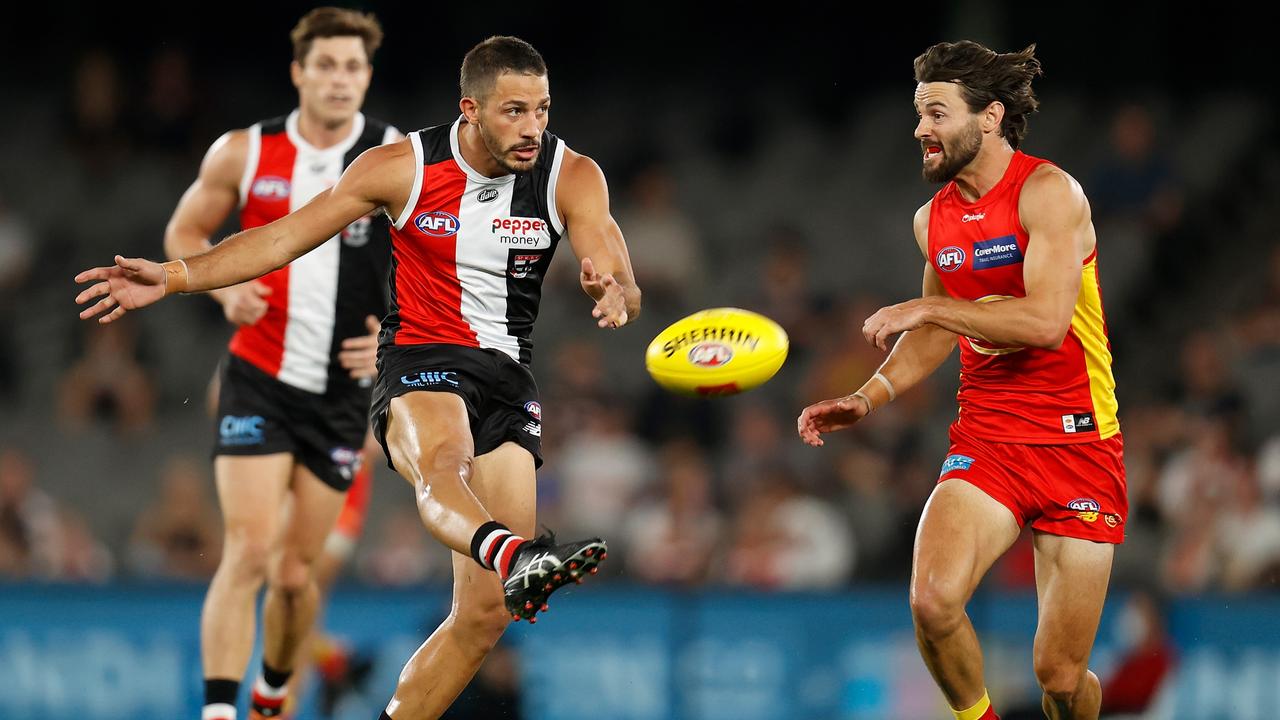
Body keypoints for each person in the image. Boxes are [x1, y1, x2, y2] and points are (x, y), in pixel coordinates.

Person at [76, 35, 640, 720]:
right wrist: (173, 276)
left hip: (509, 377)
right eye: (515, 111)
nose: (533, 128)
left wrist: (612, 286)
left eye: (542, 110)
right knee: (445, 460)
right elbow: (284, 237)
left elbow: (614, 261)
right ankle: (512, 550)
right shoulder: (400, 167)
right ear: (471, 109)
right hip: (420, 361)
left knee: (486, 616)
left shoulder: (569, 173)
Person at [797, 41, 1123, 720]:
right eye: (918, 115)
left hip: (1079, 446)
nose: (920, 130)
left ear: (990, 117)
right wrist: (868, 396)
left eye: (935, 113)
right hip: (991, 440)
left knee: (1060, 679)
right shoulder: (934, 220)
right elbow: (934, 335)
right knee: (931, 601)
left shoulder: (1049, 193)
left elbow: (1046, 324)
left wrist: (932, 305)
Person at [158, 8, 399, 719]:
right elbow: (184, 229)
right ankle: (221, 710)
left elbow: (439, 263)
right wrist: (223, 286)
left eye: (353, 66)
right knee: (250, 550)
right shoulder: (245, 151)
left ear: (368, 76)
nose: (339, 79)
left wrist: (393, 334)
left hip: (341, 397)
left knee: (297, 578)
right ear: (298, 72)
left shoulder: (394, 158)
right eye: (325, 65)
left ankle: (273, 692)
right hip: (256, 377)